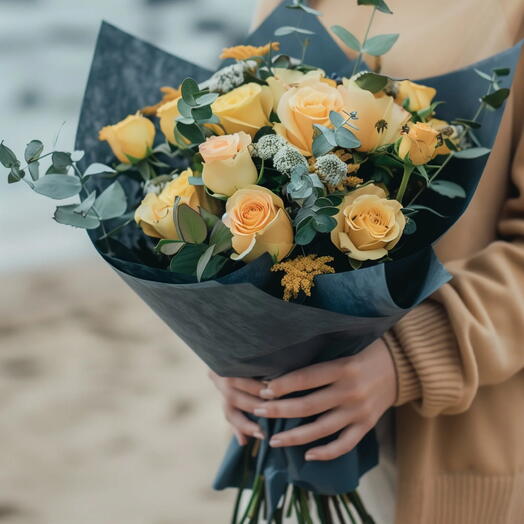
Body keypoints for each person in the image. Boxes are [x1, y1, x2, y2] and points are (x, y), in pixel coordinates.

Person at [209, 1, 524, 522]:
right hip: (293, 434)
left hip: (458, 437)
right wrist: (236, 351)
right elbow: (235, 184)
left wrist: (404, 360)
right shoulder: (290, 3)